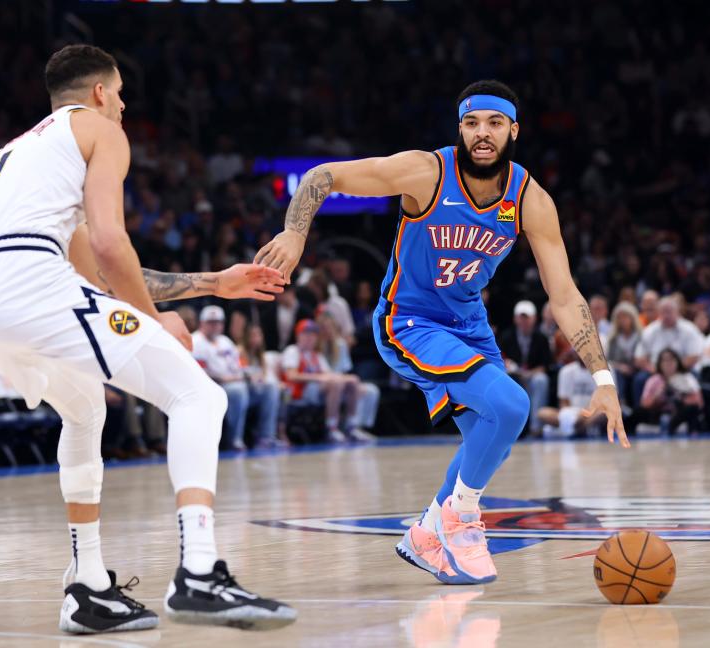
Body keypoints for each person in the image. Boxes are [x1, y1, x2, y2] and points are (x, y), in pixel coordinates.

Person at [0, 45, 294, 634]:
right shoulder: (101, 132)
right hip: (24, 284)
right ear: (100, 93)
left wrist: (211, 284)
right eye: (121, 92)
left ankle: (88, 585)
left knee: (83, 414)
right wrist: (153, 321)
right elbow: (110, 243)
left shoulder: (23, 150)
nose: (125, 105)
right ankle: (199, 573)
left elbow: (91, 275)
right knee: (199, 397)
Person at [256, 80, 627, 586]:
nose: (482, 133)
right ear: (460, 129)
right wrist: (295, 234)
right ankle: (462, 520)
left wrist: (603, 379)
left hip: (470, 325)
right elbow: (324, 176)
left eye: (495, 123)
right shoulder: (426, 172)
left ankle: (428, 533)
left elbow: (564, 296)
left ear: (512, 131)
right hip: (407, 320)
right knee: (514, 405)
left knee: (490, 433)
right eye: (472, 123)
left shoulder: (529, 198)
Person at [192, 305, 280, 451]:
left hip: (237, 381)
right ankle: (234, 439)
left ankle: (266, 437)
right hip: (214, 387)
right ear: (202, 323)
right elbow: (199, 373)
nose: (215, 326)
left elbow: (239, 365)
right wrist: (225, 378)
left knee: (270, 386)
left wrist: (250, 374)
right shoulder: (196, 341)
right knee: (238, 391)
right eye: (211, 322)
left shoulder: (225, 341)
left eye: (218, 322)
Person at [281, 319, 362, 442]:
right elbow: (291, 376)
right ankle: (331, 428)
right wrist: (318, 377)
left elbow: (328, 375)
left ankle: (351, 426)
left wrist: (347, 378)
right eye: (306, 334)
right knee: (334, 384)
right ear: (298, 335)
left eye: (313, 334)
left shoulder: (317, 355)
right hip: (299, 392)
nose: (310, 337)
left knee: (352, 382)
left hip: (316, 390)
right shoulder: (292, 351)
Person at [632, 295, 705, 406]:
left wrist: (674, 369)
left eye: (669, 311)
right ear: (659, 313)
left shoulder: (689, 329)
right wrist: (656, 370)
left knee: (696, 376)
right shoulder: (650, 330)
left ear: (677, 311)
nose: (666, 315)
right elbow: (639, 358)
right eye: (663, 312)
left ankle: (694, 413)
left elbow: (695, 356)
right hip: (655, 371)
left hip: (683, 369)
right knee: (639, 379)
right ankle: (640, 415)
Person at [316, 311, 379, 439]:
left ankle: (355, 426)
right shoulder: (315, 346)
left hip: (339, 380)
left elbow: (344, 370)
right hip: (321, 383)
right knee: (341, 384)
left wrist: (345, 380)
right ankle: (332, 427)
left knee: (371, 390)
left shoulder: (340, 344)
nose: (327, 331)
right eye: (324, 328)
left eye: (330, 327)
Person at [499, 300, 552, 436]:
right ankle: (511, 427)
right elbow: (499, 360)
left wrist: (528, 374)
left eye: (527, 318)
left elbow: (545, 366)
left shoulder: (541, 339)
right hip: (512, 376)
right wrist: (510, 367)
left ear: (534, 319)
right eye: (521, 318)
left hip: (532, 376)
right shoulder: (506, 337)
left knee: (541, 380)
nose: (524, 321)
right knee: (505, 379)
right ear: (515, 319)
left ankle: (536, 427)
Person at [239, 323, 289, 447]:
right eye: (253, 335)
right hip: (244, 390)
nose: (256, 339)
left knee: (281, 391)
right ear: (246, 337)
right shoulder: (239, 352)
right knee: (271, 390)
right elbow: (241, 373)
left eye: (259, 335)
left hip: (257, 391)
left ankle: (271, 435)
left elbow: (265, 377)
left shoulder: (261, 357)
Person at [640, 348, 704, 434]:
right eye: (665, 361)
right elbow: (644, 404)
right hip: (658, 412)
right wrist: (657, 395)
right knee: (639, 413)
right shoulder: (654, 380)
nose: (668, 364)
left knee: (692, 410)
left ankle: (676, 427)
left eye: (671, 360)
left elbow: (699, 403)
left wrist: (681, 396)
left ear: (677, 362)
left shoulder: (687, 378)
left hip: (679, 413)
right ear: (659, 363)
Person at [537, 355, 603, 438]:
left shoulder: (604, 370)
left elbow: (606, 400)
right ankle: (579, 429)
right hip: (571, 413)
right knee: (542, 413)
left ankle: (568, 430)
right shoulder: (566, 370)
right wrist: (570, 416)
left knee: (603, 412)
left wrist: (584, 414)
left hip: (593, 412)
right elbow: (563, 403)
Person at [604, 301, 643, 408]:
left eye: (625, 317)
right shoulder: (613, 339)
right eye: (619, 317)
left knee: (640, 378)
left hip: (636, 368)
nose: (623, 320)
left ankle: (638, 408)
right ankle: (619, 404)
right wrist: (620, 367)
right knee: (616, 375)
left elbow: (643, 357)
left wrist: (634, 366)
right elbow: (608, 360)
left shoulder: (641, 337)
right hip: (619, 369)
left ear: (632, 318)